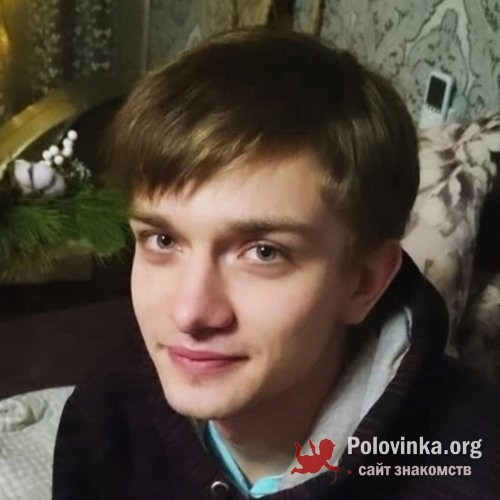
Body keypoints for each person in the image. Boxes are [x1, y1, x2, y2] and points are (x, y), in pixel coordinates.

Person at [52, 28, 500, 499]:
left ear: (364, 282)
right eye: (163, 240)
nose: (189, 313)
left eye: (264, 252)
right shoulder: (104, 420)